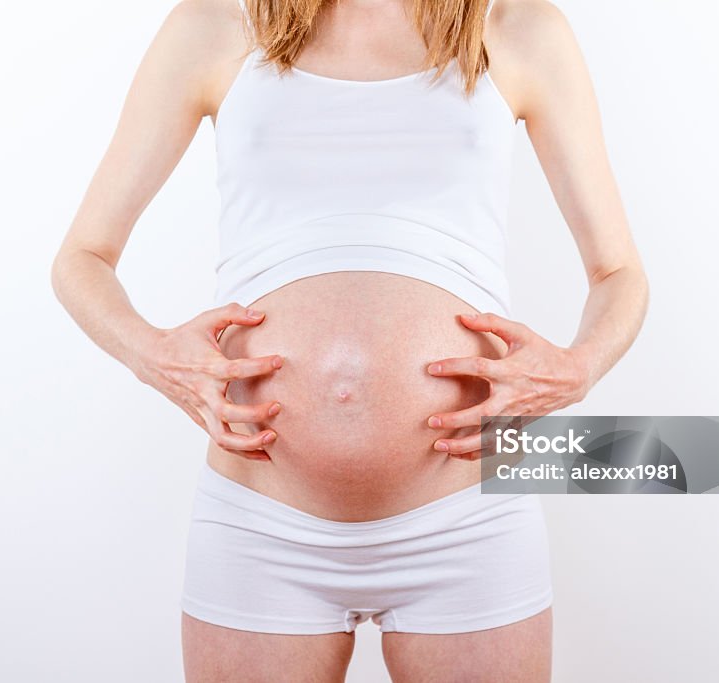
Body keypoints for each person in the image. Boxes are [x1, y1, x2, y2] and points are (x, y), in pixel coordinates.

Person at [51, 0, 648, 679]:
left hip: (468, 520)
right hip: (260, 523)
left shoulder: (514, 27)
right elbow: (81, 257)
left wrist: (580, 366)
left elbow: (619, 271)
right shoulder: (217, 24)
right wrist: (149, 353)